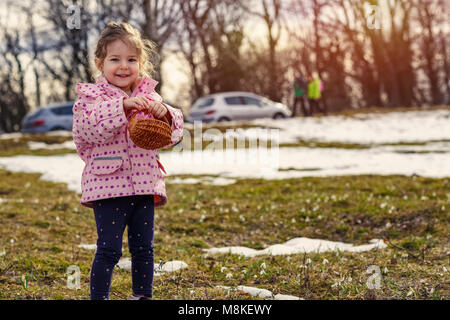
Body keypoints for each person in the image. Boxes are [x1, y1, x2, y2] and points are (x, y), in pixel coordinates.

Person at [72, 21, 184, 300]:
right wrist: (121, 107)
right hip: (108, 187)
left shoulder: (150, 97)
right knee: (109, 249)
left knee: (144, 249)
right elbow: (87, 129)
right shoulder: (90, 98)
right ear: (100, 63)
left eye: (131, 59)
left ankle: (142, 296)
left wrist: (165, 114)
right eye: (115, 59)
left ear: (141, 62)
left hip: (145, 185)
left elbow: (173, 136)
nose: (124, 66)